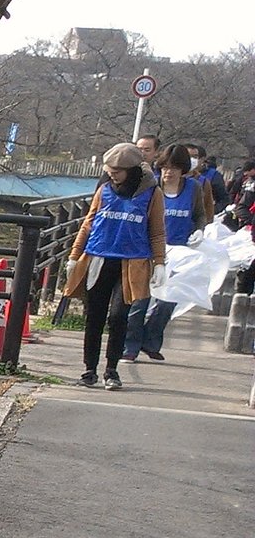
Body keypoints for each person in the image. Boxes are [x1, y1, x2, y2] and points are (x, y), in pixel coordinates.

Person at [62, 142, 167, 391]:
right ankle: (89, 369)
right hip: (98, 258)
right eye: (109, 170)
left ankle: (112, 369)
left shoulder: (152, 193)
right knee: (94, 316)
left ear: (131, 170)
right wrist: (74, 256)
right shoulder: (104, 190)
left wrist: (160, 263)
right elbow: (88, 223)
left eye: (117, 171)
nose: (112, 174)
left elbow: (157, 232)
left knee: (119, 316)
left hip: (130, 263)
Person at [122, 143, 213, 364]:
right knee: (139, 301)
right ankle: (130, 346)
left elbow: (200, 215)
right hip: (149, 251)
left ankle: (151, 341)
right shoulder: (151, 186)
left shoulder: (193, 189)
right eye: (165, 168)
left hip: (180, 252)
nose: (169, 172)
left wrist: (200, 231)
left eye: (174, 168)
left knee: (168, 300)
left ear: (183, 170)